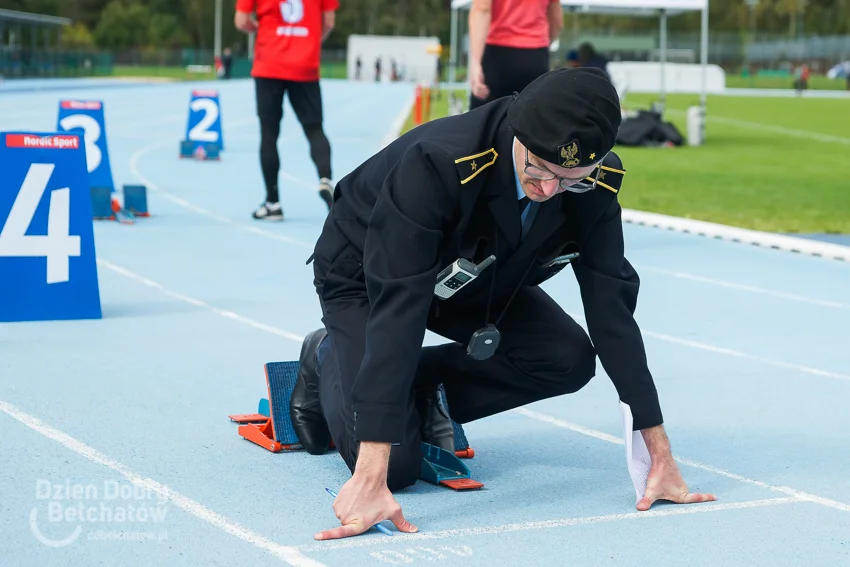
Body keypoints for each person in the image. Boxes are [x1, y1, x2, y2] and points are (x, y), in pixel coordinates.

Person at [290, 67, 716, 541]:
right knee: (399, 467)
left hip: (475, 274)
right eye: (537, 170)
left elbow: (611, 306)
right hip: (369, 278)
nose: (550, 190)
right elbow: (400, 309)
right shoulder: (439, 162)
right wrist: (371, 473)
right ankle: (325, 355)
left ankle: (419, 392)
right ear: (518, 132)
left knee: (566, 358)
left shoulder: (594, 182)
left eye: (570, 180)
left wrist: (658, 452)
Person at [234, 0, 338, 221]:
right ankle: (326, 179)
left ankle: (273, 203)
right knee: (314, 129)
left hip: (269, 63)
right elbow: (328, 22)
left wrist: (257, 27)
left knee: (269, 134)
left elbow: (241, 20)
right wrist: (309, 41)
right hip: (305, 64)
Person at [467, 0, 563, 110]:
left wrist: (475, 63)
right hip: (535, 55)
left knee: (483, 120)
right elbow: (556, 22)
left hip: (497, 55)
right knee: (532, 120)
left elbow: (482, 9)